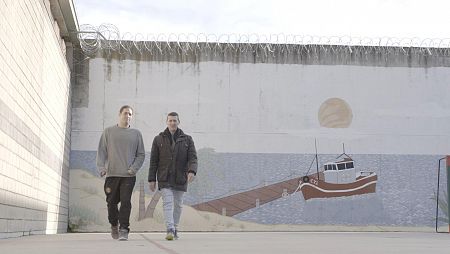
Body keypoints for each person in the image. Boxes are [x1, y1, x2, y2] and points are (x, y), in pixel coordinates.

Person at [96, 105, 145, 241]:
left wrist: (133, 169)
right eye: (125, 113)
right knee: (111, 203)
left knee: (125, 202)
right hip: (111, 175)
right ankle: (114, 224)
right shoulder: (109, 132)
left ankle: (124, 229)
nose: (127, 116)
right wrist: (102, 168)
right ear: (119, 114)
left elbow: (141, 154)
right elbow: (102, 151)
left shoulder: (136, 134)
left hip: (128, 176)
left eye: (130, 114)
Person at [148, 112, 198, 240]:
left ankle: (175, 227)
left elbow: (193, 158)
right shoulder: (158, 139)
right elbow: (153, 161)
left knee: (178, 204)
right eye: (170, 120)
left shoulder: (187, 139)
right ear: (167, 122)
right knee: (168, 204)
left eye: (174, 120)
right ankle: (169, 229)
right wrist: (152, 179)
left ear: (178, 122)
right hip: (164, 178)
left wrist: (192, 171)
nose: (172, 123)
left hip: (181, 178)